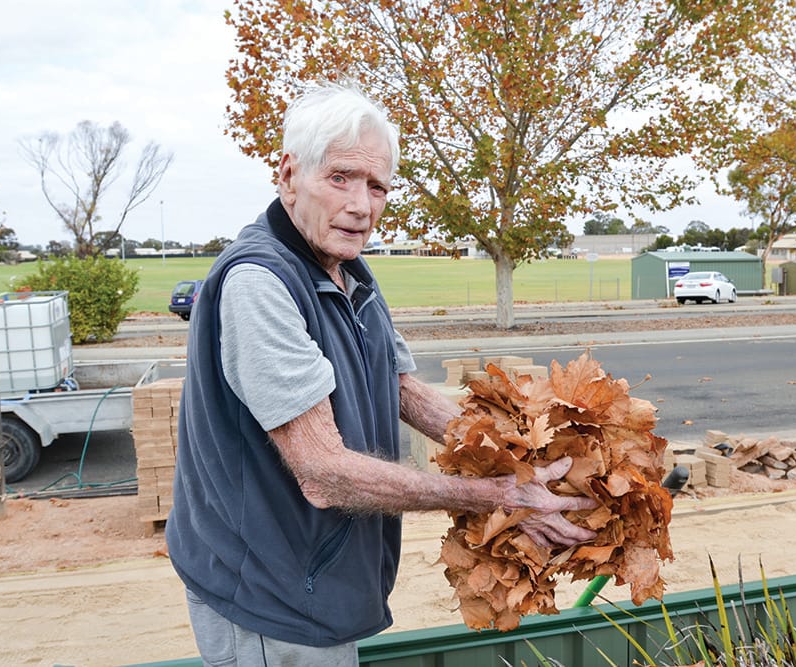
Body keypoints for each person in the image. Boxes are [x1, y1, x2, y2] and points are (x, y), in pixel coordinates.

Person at [165, 81, 597, 666]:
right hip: (269, 591)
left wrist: (518, 456)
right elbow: (322, 471)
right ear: (289, 175)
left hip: (320, 578)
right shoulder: (259, 284)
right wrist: (496, 495)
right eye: (339, 177)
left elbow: (398, 388)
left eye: (376, 186)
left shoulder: (350, 272)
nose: (361, 205)